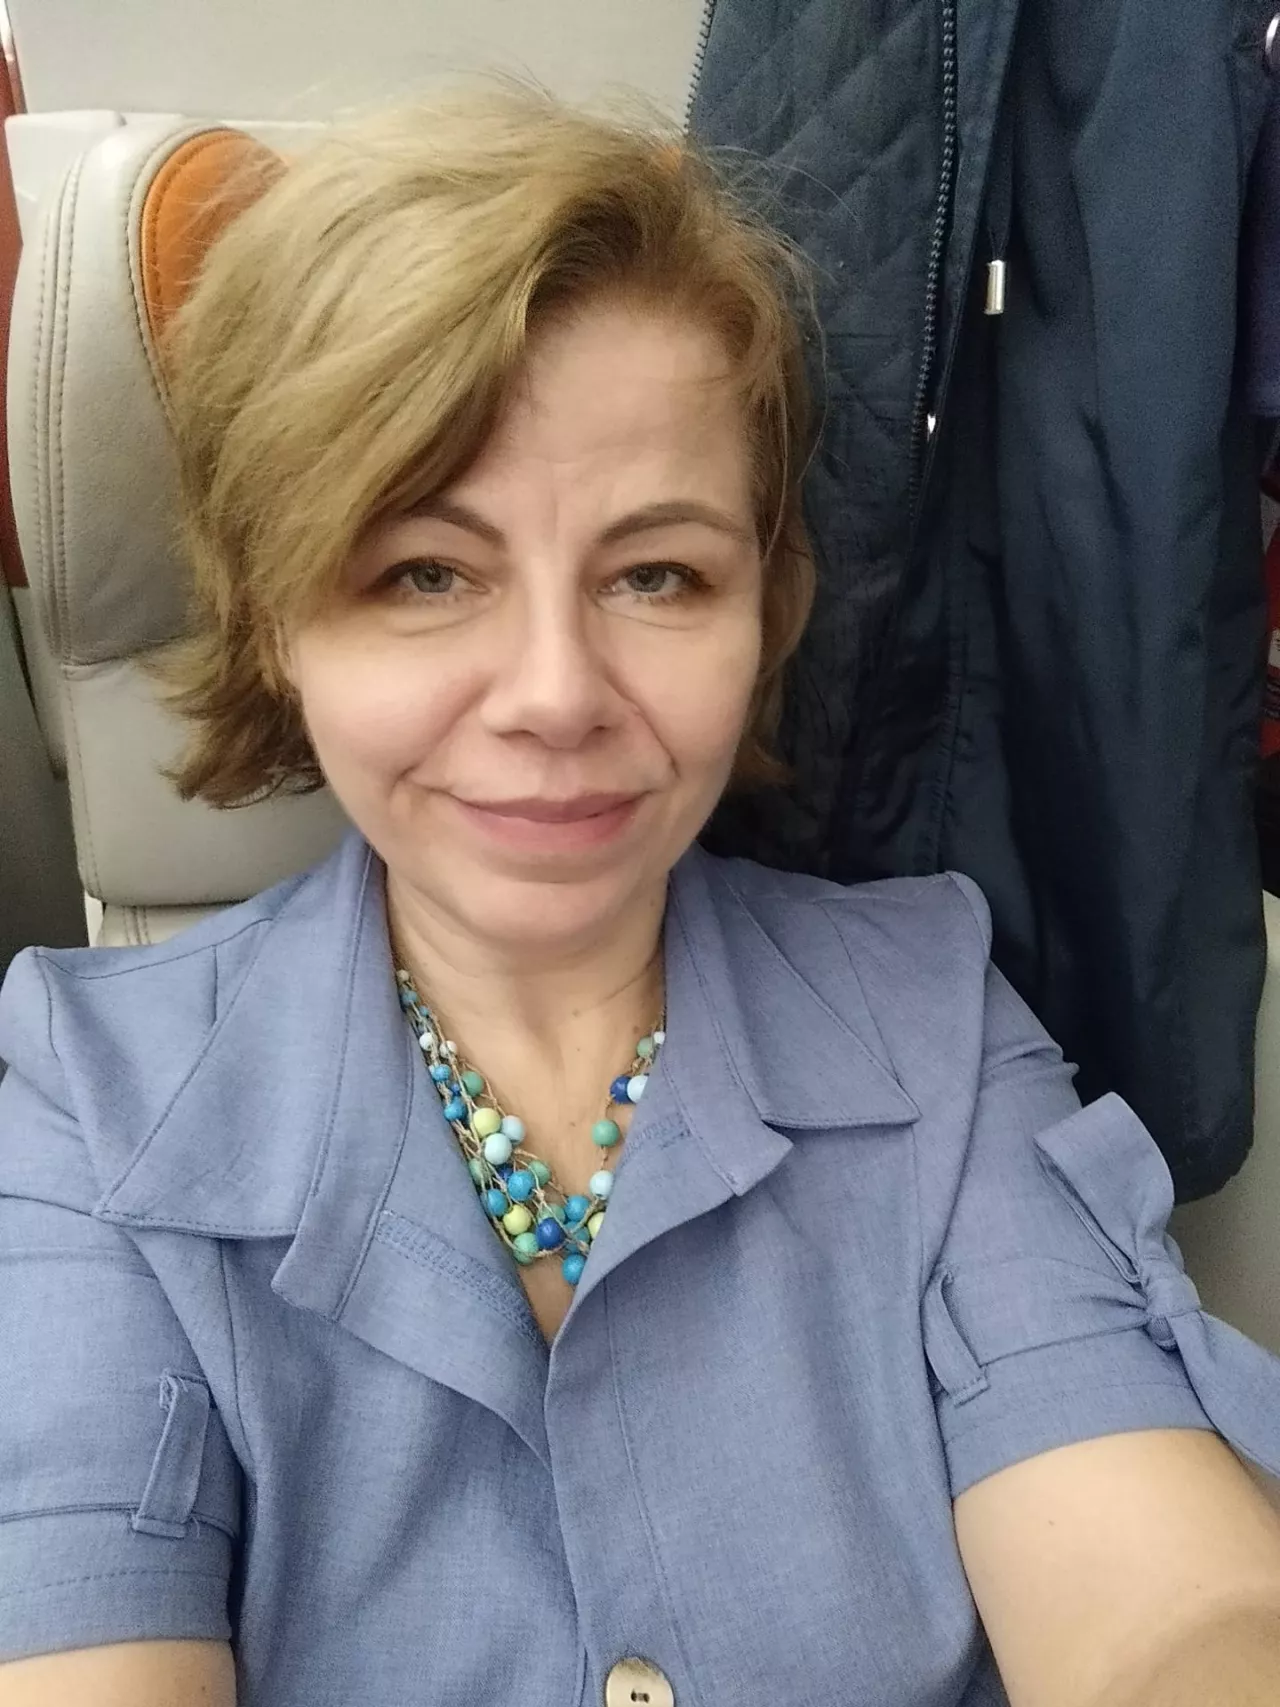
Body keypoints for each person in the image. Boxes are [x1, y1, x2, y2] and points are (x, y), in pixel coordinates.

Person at [2, 83, 1280, 1707]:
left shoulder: (930, 1019)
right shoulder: (91, 1099)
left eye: (657, 573)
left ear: (768, 606)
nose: (556, 693)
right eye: (425, 572)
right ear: (275, 615)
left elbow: (1169, 1617)